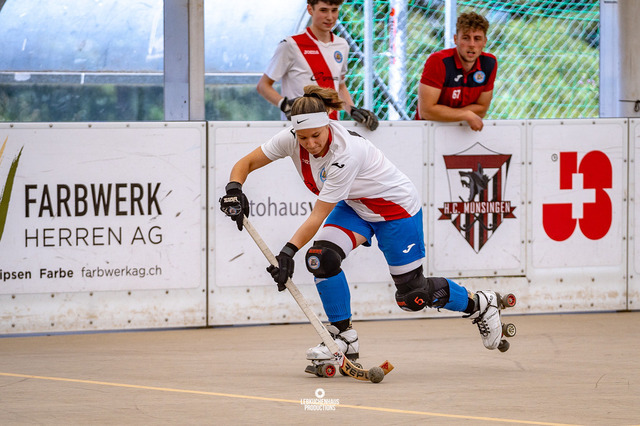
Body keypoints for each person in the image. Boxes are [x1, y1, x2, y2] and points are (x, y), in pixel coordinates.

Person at [220, 85, 510, 371]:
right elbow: (246, 162)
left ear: (328, 122)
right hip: (357, 205)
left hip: (395, 209)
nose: (309, 144)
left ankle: (479, 304)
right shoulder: (292, 138)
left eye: (316, 135)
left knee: (412, 296)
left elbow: (318, 216)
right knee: (321, 258)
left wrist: (287, 253)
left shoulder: (346, 153)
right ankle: (343, 337)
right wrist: (234, 189)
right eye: (303, 137)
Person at [256, 0, 378, 131]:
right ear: (310, 9)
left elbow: (340, 85)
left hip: (331, 129)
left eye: (334, 10)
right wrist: (285, 105)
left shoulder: (342, 45)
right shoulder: (291, 44)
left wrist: (353, 110)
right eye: (323, 10)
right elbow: (263, 86)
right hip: (299, 130)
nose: (330, 17)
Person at [416, 11, 497, 131]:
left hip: (465, 132)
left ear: (484, 42)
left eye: (477, 39)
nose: (472, 44)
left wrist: (446, 112)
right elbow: (426, 112)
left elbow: (482, 109)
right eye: (466, 38)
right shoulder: (438, 61)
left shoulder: (489, 63)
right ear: (455, 39)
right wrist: (466, 115)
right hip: (430, 132)